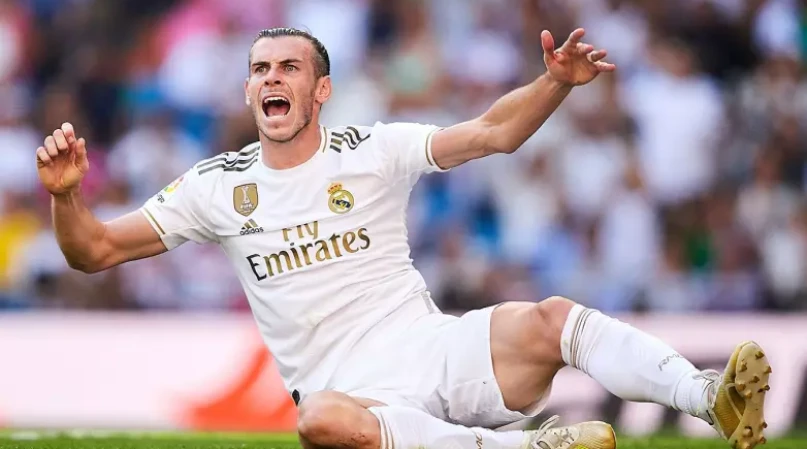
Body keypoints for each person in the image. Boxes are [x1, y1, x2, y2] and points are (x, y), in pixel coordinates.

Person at [36, 27, 770, 449]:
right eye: (259, 69)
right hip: (351, 394)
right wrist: (67, 196)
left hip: (431, 348)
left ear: (320, 90)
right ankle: (528, 447)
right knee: (316, 422)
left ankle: (708, 397)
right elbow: (92, 251)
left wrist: (554, 83)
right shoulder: (214, 185)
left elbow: (492, 132)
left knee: (550, 317)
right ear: (249, 89)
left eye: (288, 67)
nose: (271, 78)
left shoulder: (372, 148)